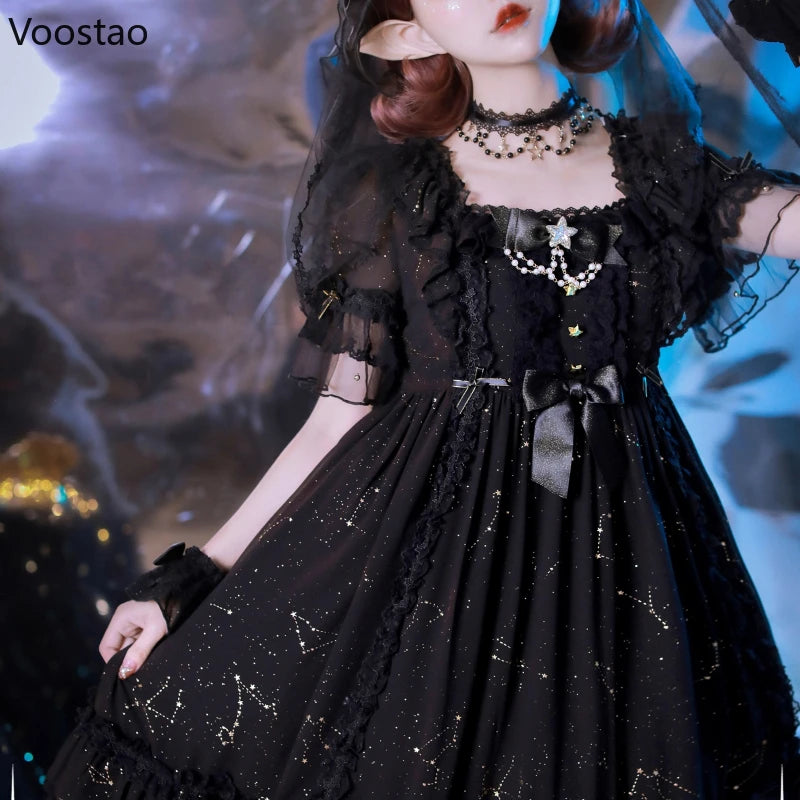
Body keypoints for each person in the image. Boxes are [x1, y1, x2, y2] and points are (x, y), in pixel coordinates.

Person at [44, 0, 800, 798]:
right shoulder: (397, 195)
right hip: (442, 556)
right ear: (406, 32)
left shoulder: (662, 170)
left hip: (636, 552)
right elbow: (337, 417)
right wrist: (195, 577)